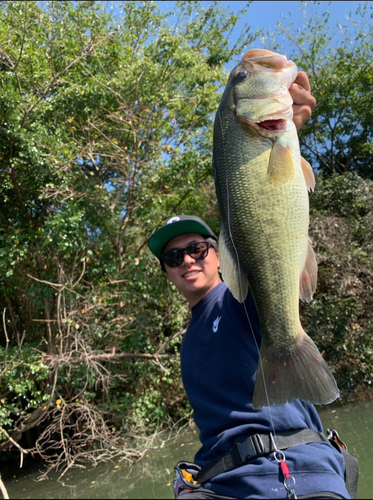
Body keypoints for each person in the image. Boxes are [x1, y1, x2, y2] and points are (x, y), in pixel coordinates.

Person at [148, 74, 356, 499]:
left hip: (292, 477)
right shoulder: (190, 338)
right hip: (228, 485)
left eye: (198, 248)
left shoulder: (237, 299)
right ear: (166, 272)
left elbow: (269, 227)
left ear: (220, 252)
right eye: (173, 257)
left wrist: (284, 127)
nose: (187, 259)